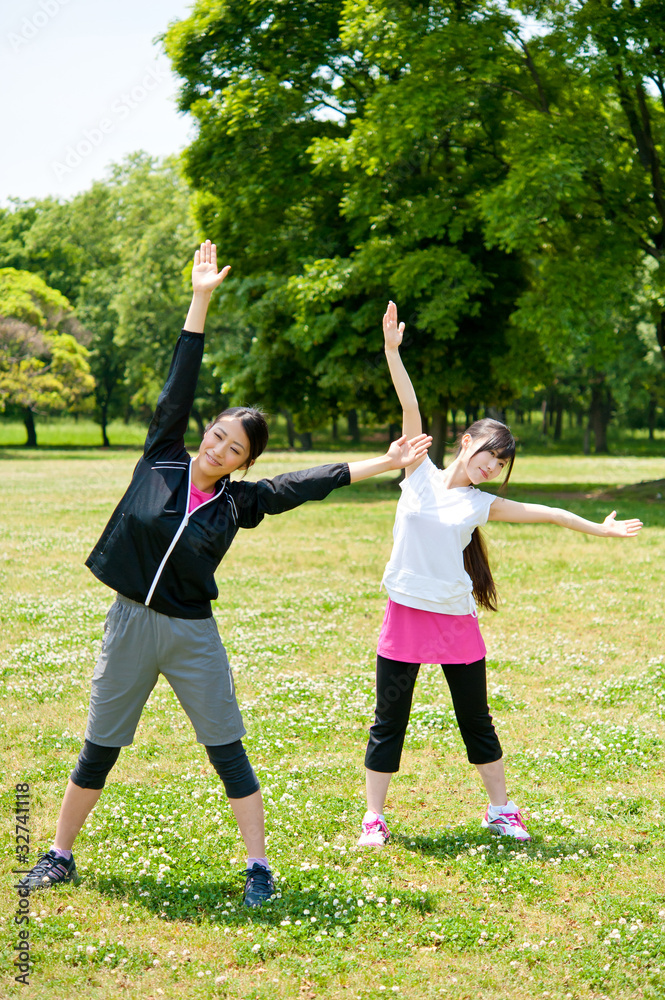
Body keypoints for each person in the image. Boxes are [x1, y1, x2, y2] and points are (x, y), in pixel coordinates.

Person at [20, 245, 432, 906]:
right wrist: (201, 297)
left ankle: (259, 868)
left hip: (190, 636)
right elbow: (179, 379)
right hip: (129, 624)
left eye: (232, 447)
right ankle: (59, 854)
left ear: (242, 462)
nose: (216, 447)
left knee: (226, 751)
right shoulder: (160, 458)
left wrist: (382, 464)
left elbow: (305, 483)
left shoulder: (239, 503)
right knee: (99, 746)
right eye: (214, 434)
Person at [357, 301, 643, 848]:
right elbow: (410, 406)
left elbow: (552, 514)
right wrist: (393, 353)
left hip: (455, 621)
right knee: (388, 721)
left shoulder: (480, 505)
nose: (491, 468)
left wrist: (600, 530)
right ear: (467, 442)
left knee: (476, 720)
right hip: (405, 615)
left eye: (500, 465)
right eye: (488, 455)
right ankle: (374, 817)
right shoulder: (417, 471)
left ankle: (501, 809)